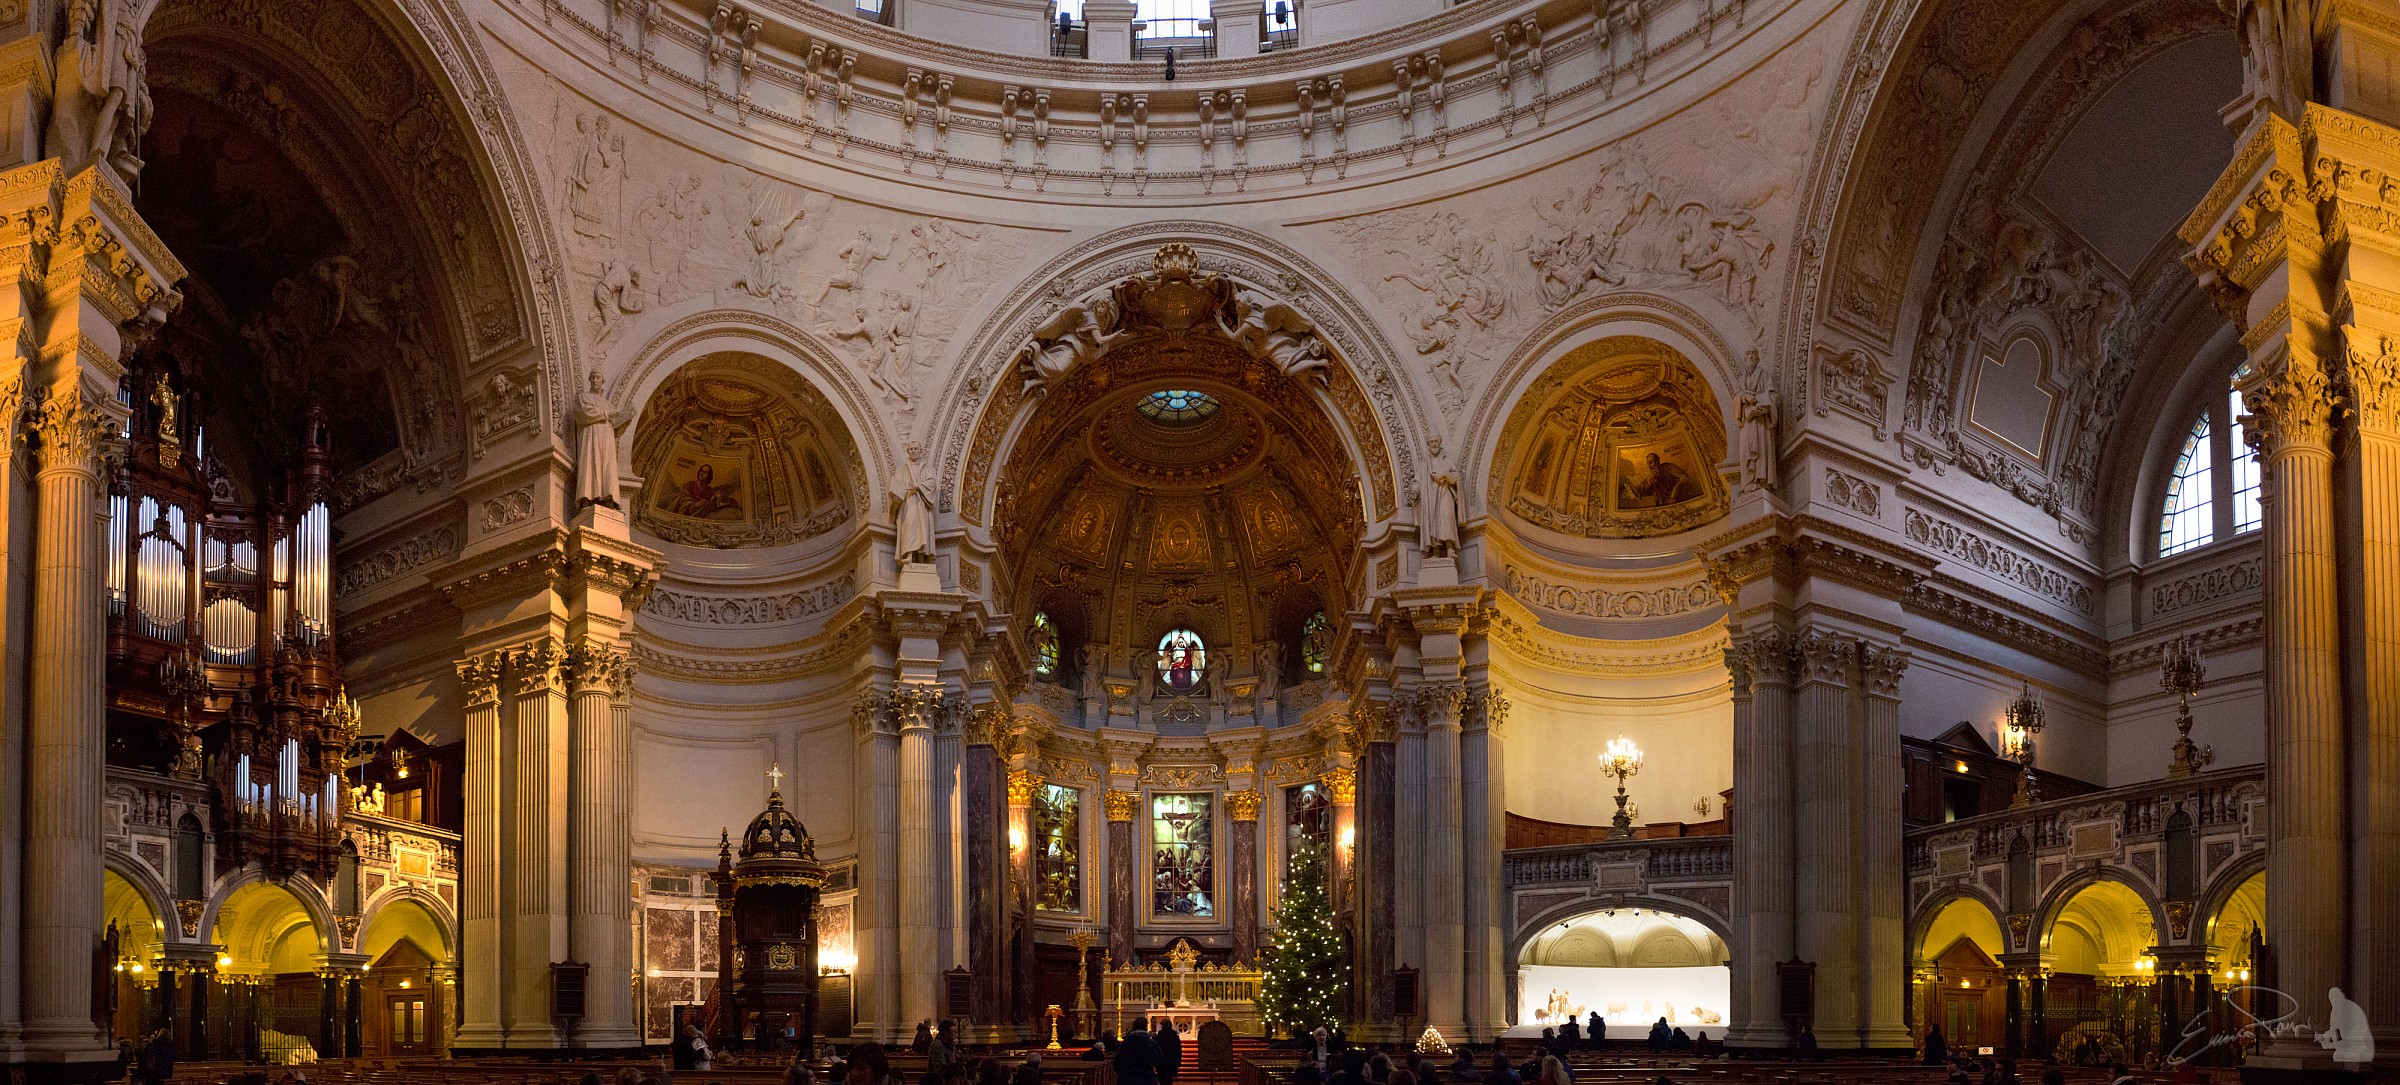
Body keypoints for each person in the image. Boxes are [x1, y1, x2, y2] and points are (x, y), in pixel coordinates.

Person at [1154, 1020, 1183, 1085]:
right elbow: (1178, 1050)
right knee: (1169, 1079)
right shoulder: (1174, 1036)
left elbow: (1156, 1048)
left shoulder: (1160, 1036)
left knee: (1162, 1079)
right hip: (1171, 1061)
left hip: (1162, 1061)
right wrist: (1178, 1062)